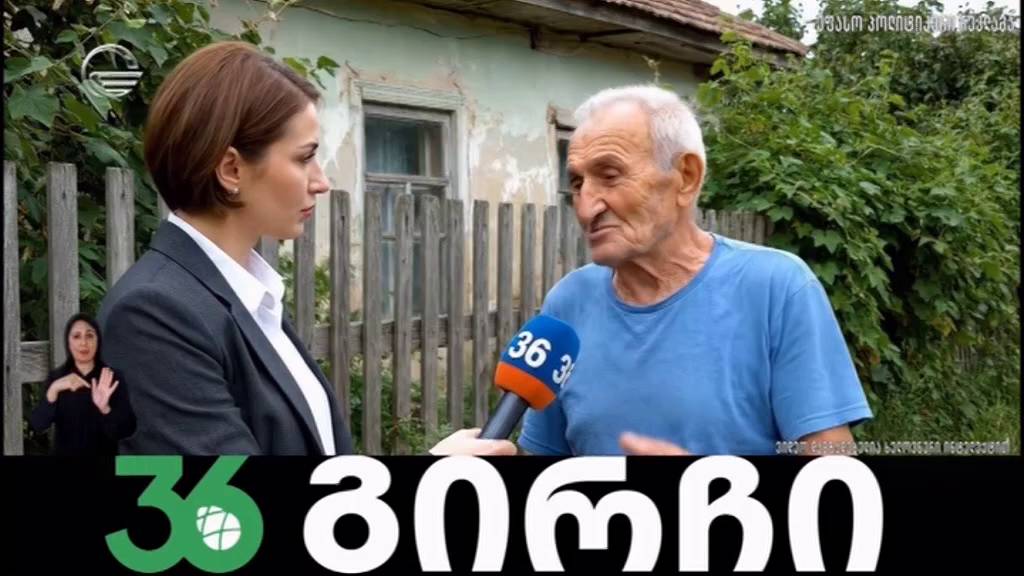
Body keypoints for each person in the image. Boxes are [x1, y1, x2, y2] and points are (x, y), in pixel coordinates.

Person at [98, 41, 512, 456]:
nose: (321, 181)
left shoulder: (251, 297)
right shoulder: (153, 314)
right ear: (231, 169)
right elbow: (220, 496)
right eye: (304, 158)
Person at [518, 85, 873, 457]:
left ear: (686, 177)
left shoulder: (777, 288)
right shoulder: (567, 304)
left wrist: (707, 486)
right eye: (577, 184)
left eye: (609, 175)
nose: (585, 208)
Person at [29, 313, 136, 455]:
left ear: (98, 340)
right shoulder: (57, 378)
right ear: (68, 342)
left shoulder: (112, 377)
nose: (83, 343)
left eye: (89, 336)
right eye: (76, 336)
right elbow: (38, 425)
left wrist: (105, 409)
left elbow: (127, 430)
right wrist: (53, 390)